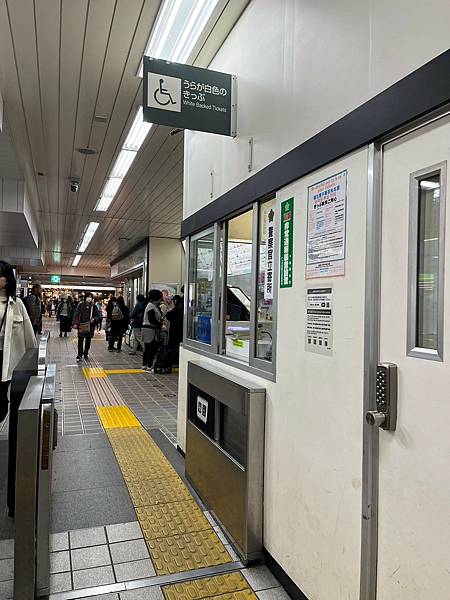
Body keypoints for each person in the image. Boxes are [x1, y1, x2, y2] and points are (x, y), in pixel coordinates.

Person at [0, 261, 37, 424]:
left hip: (8, 360)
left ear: (7, 280)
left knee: (2, 404)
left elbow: (29, 336)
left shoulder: (16, 304)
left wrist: (32, 363)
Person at [142, 289, 163, 371]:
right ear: (157, 298)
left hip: (149, 330)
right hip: (150, 330)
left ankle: (145, 365)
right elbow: (152, 319)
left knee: (148, 348)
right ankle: (149, 366)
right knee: (151, 349)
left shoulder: (152, 305)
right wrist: (160, 324)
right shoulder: (151, 306)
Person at [73, 292, 98, 360]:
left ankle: (86, 353)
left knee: (88, 340)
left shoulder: (94, 306)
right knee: (80, 340)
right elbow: (76, 314)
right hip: (82, 325)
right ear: (85, 298)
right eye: (88, 297)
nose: (89, 298)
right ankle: (80, 354)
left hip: (90, 326)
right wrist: (75, 323)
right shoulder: (81, 305)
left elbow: (96, 315)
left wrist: (94, 319)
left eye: (90, 297)